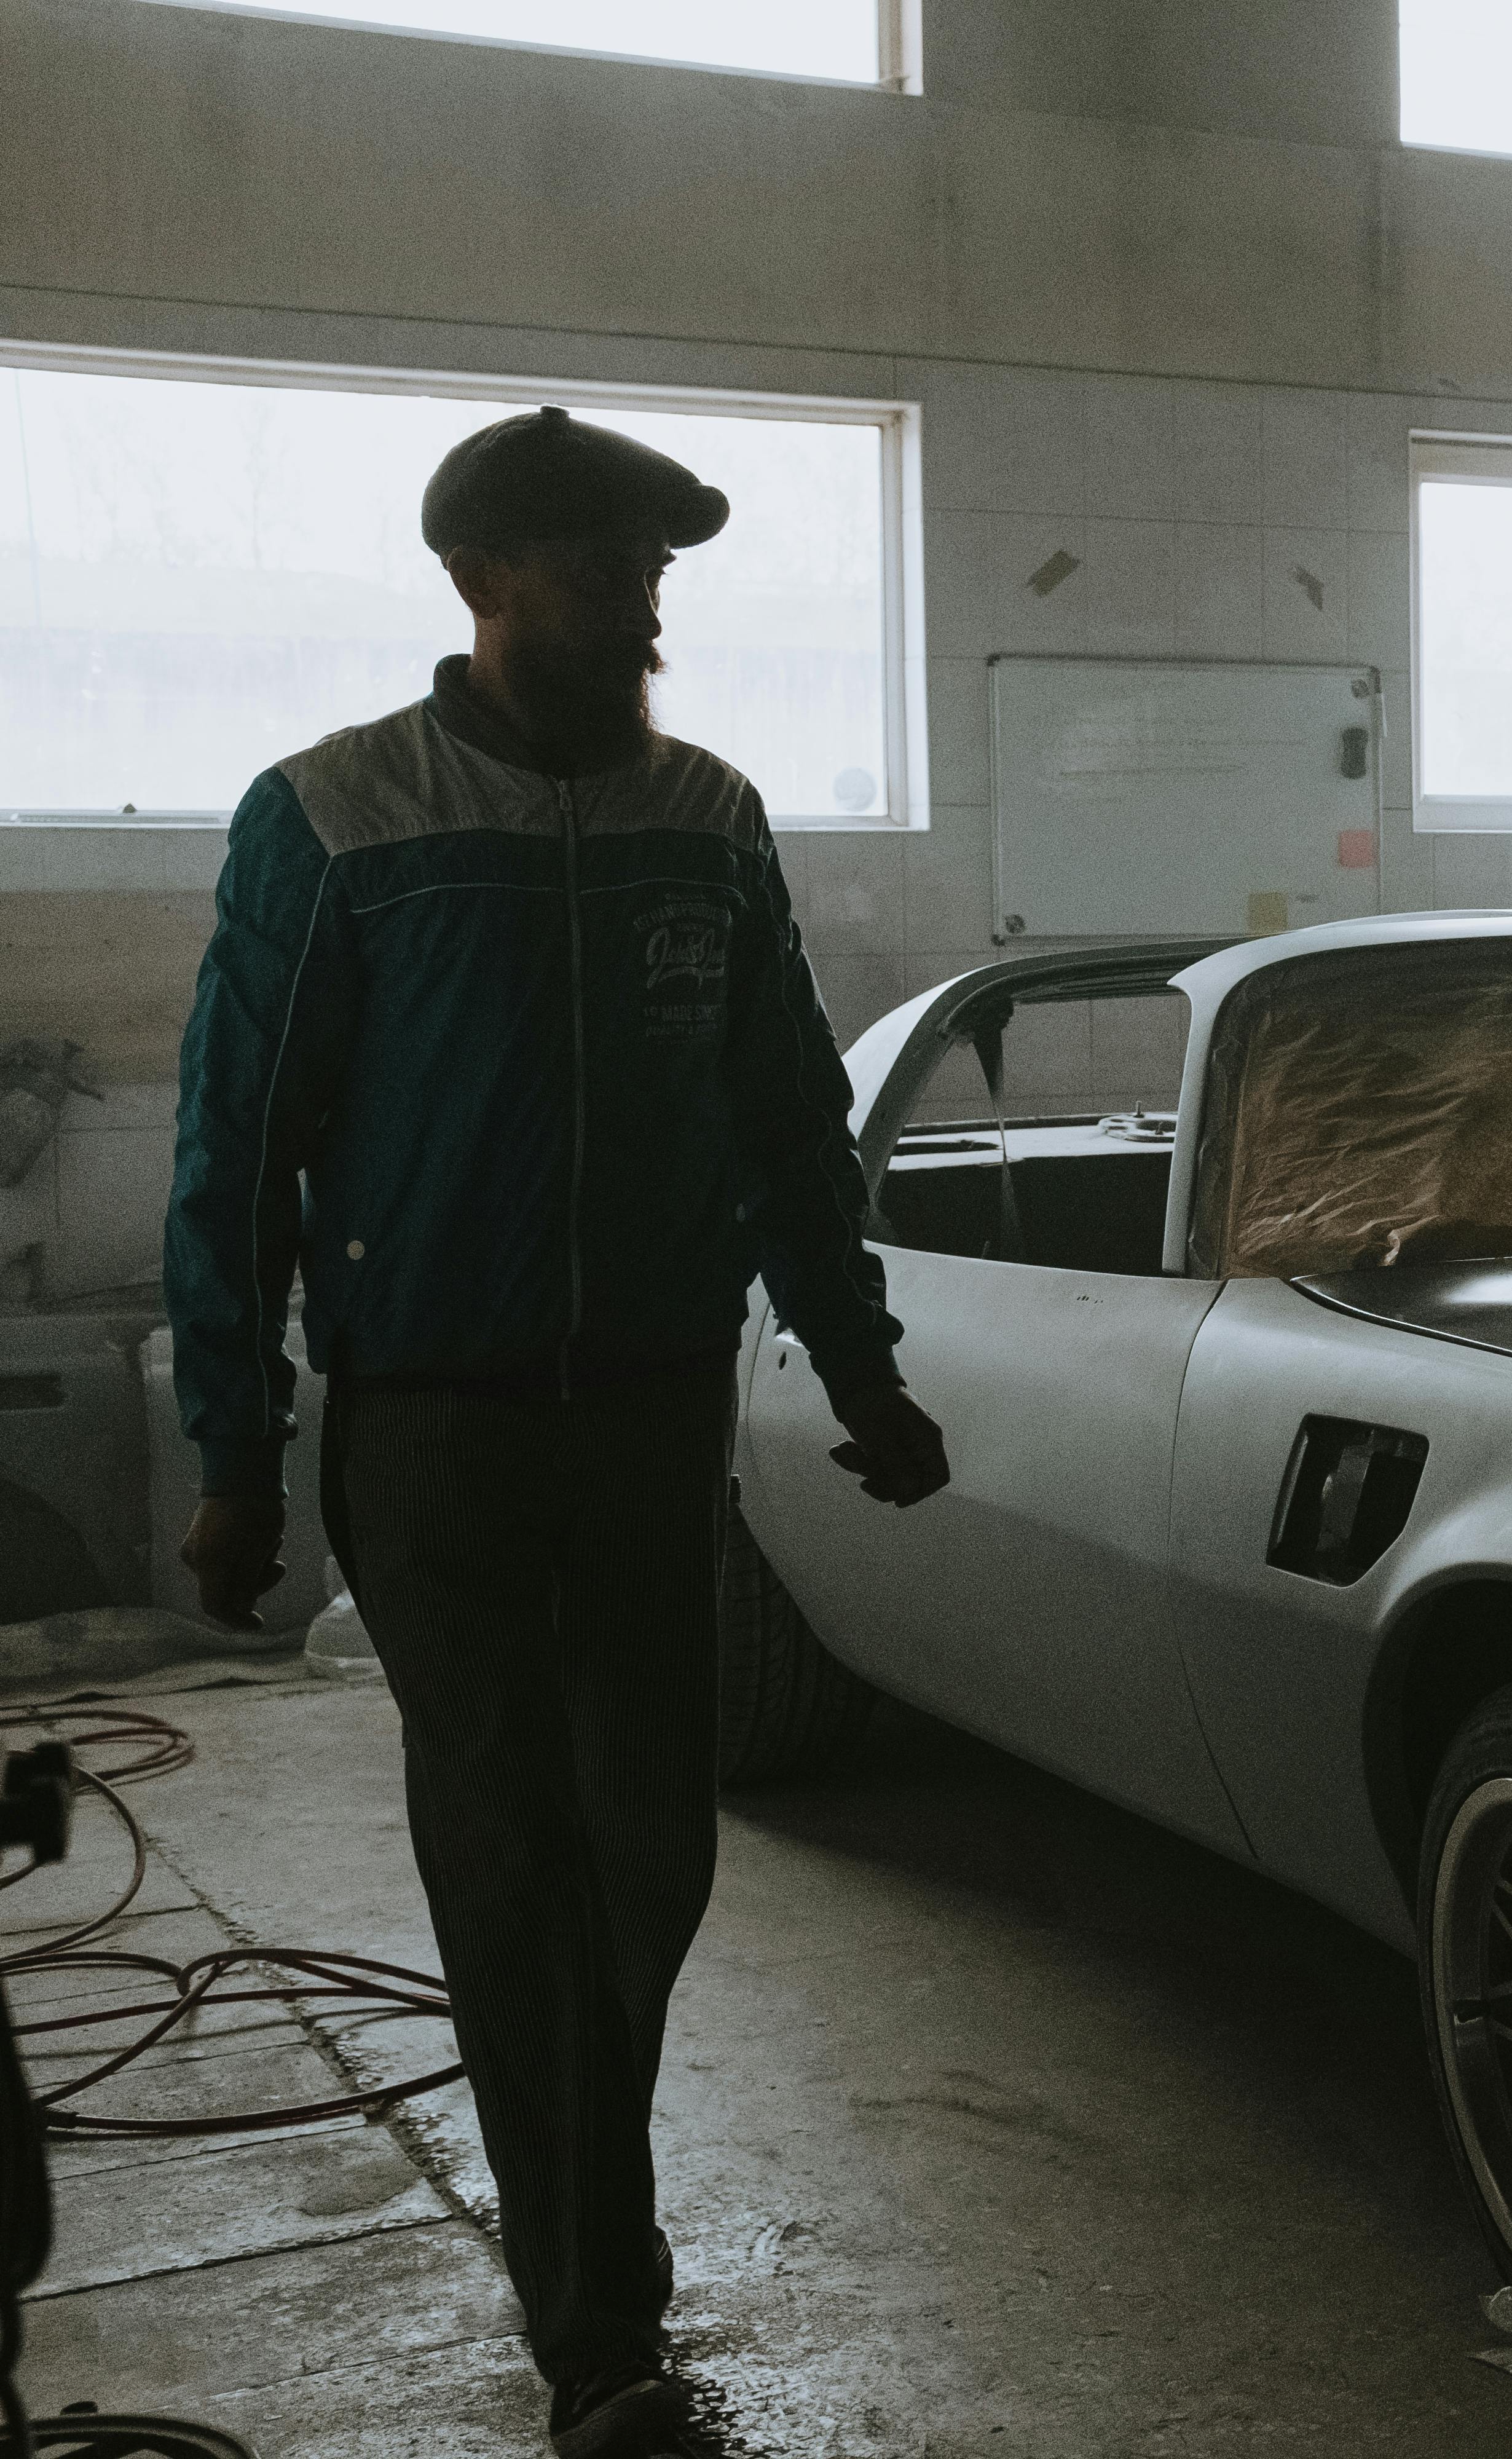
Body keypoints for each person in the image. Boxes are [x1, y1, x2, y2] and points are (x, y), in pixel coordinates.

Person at [166, 407, 951, 2459]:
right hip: (433, 1436)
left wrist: (860, 1372)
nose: (641, 606)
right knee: (516, 1852)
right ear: (482, 581)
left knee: (653, 1844)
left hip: (647, 1423)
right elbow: (239, 1153)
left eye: (657, 572)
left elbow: (787, 1119)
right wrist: (237, 1448)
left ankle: (587, 2222)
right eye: (604, 568)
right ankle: (601, 2320)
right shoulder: (336, 818)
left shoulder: (709, 814)